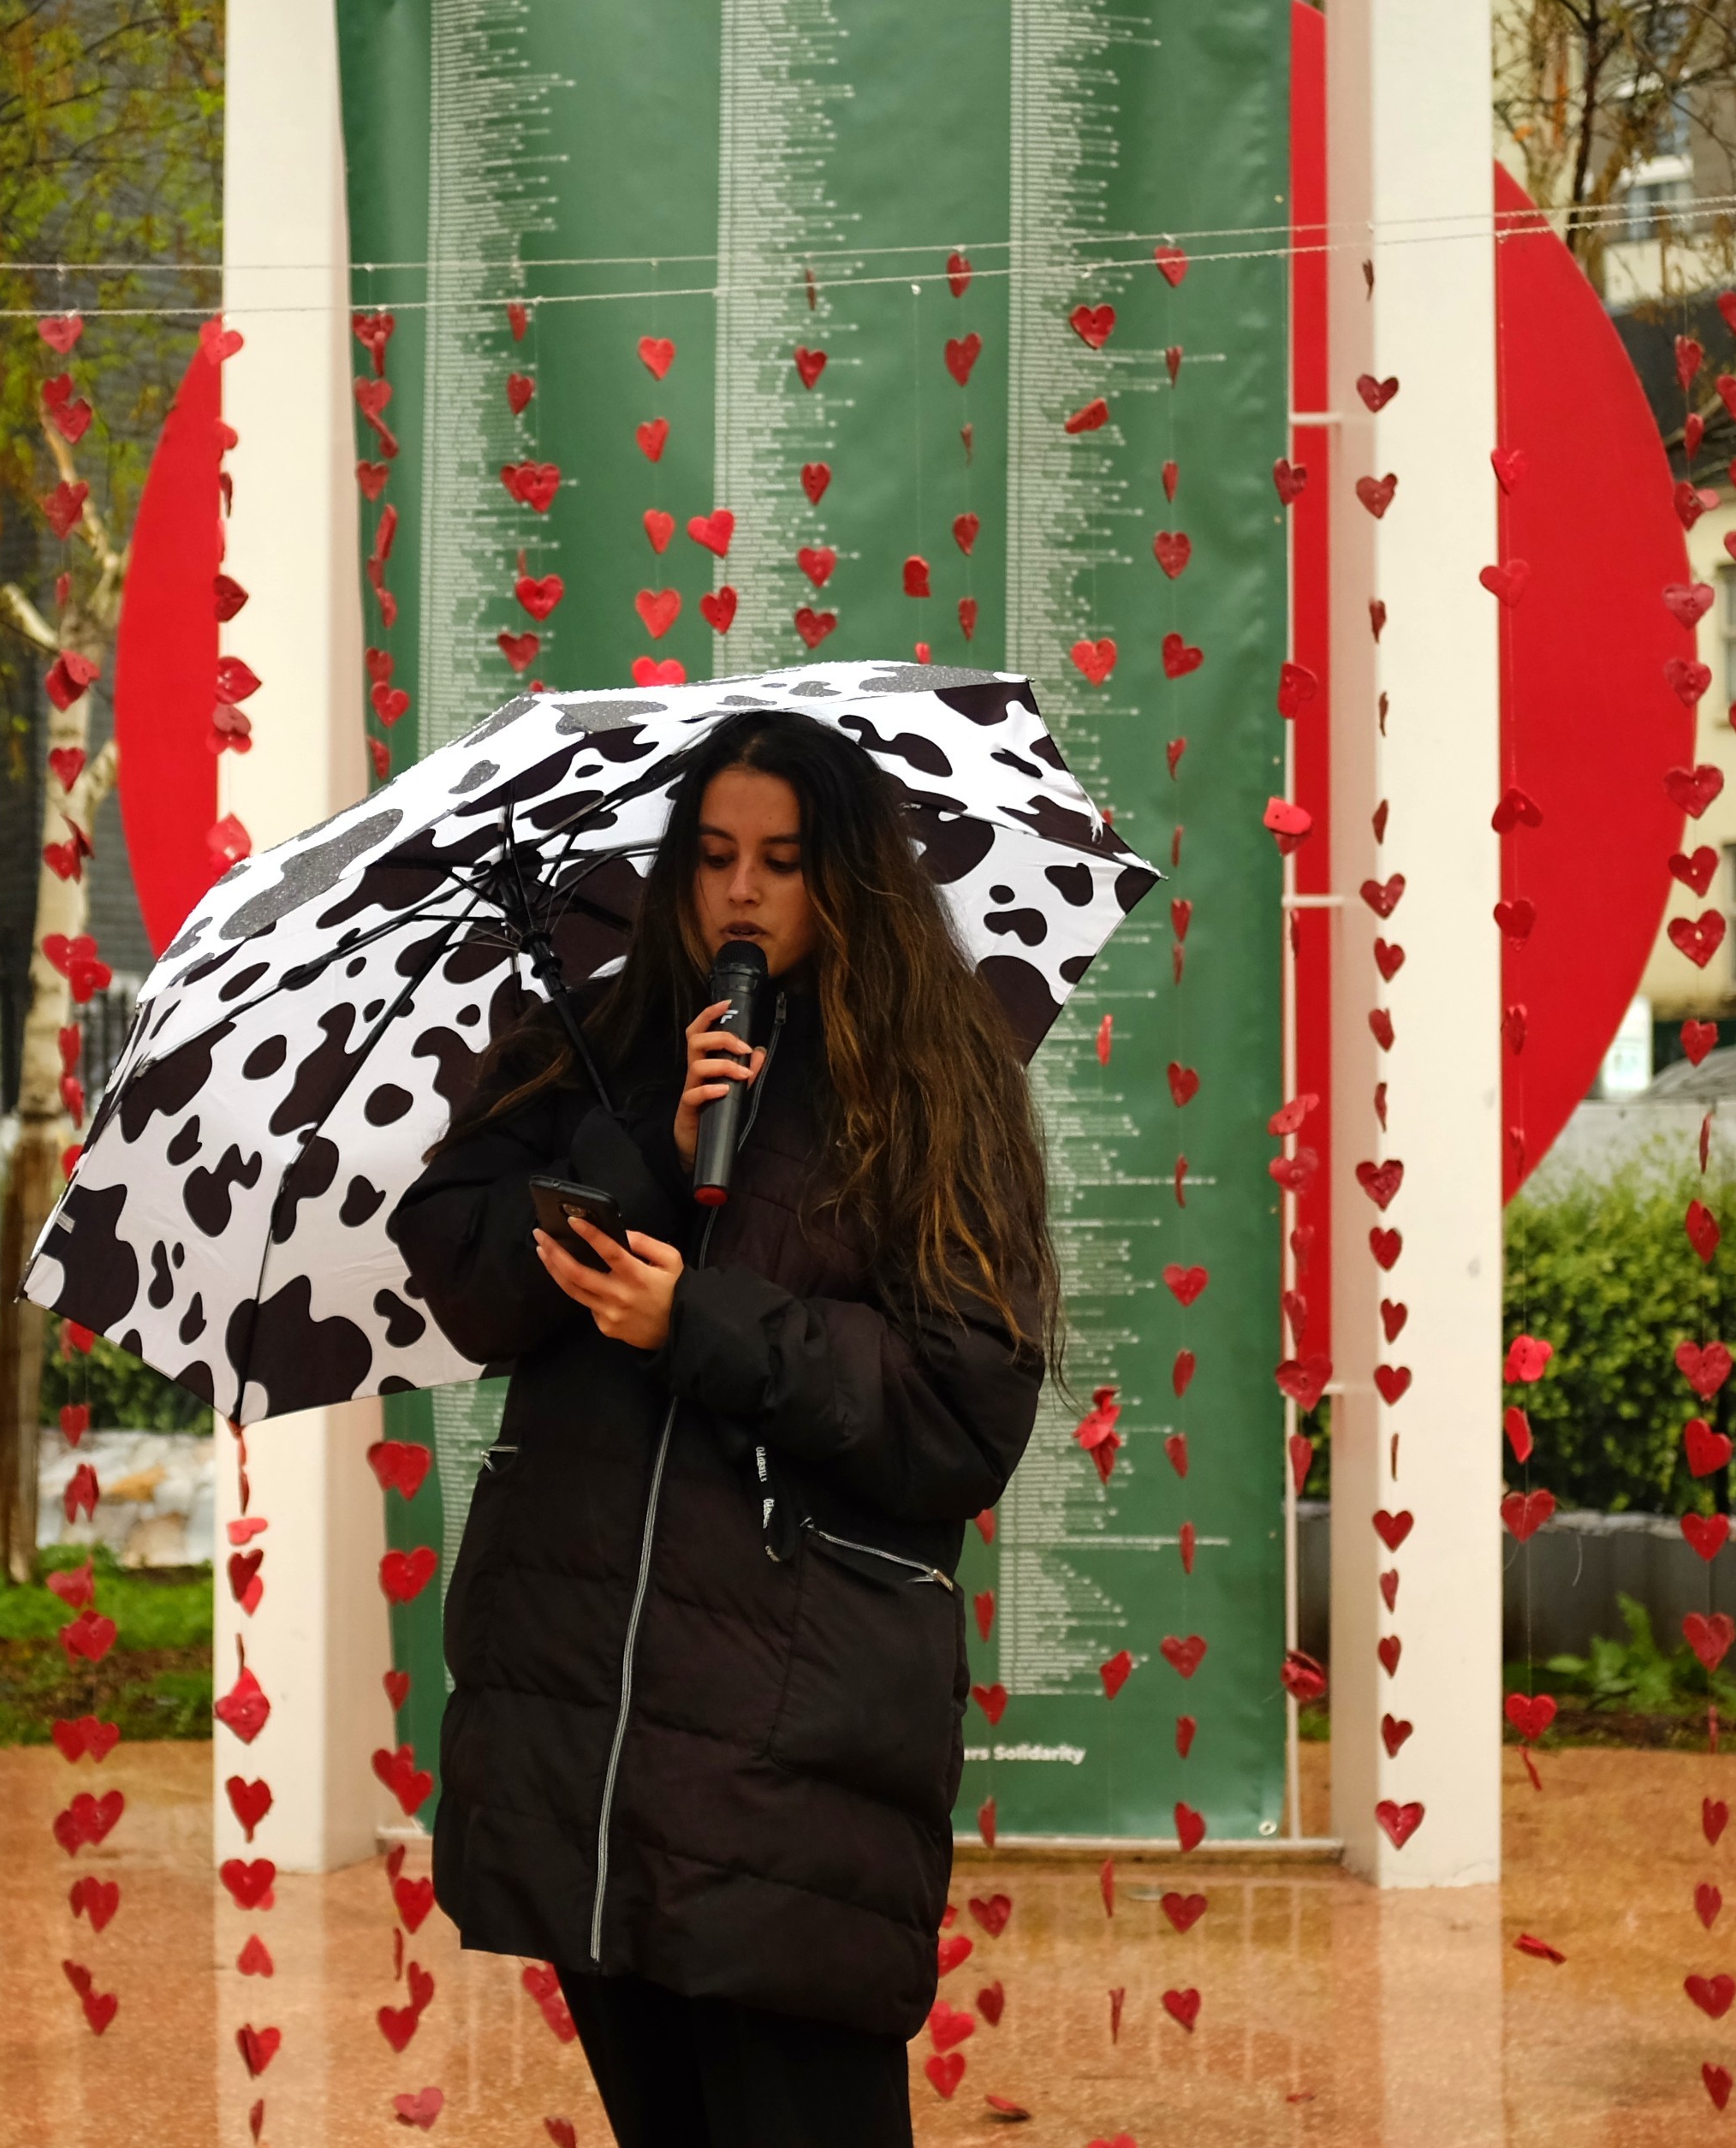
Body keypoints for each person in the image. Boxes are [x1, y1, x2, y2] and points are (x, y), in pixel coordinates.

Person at [389, 708, 1056, 2148]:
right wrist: (637, 1141)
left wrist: (703, 1319)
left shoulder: (935, 1088)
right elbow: (464, 1266)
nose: (740, 890)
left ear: (848, 874)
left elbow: (961, 1406)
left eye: (782, 859)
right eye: (711, 855)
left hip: (785, 1749)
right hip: (589, 1730)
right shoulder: (600, 1042)